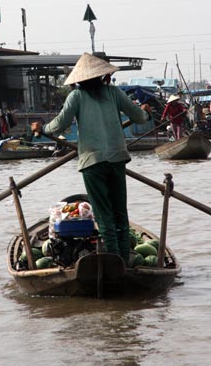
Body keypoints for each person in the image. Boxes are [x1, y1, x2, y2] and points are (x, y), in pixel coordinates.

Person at [31, 52, 152, 266]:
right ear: (104, 76)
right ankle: (123, 261)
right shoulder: (114, 93)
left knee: (105, 217)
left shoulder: (76, 96)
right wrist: (146, 112)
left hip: (92, 163)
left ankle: (114, 262)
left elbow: (59, 125)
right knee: (120, 215)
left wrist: (42, 128)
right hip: (116, 160)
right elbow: (139, 117)